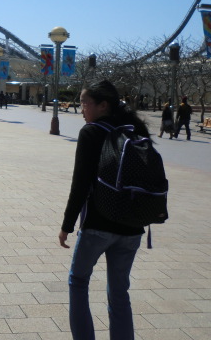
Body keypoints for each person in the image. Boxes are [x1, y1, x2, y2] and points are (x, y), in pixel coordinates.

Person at [59, 79, 147, 340]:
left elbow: (80, 183)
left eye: (85, 103)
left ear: (103, 105)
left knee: (78, 281)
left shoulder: (92, 132)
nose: (81, 109)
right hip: (132, 227)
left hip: (98, 224)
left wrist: (67, 225)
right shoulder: (134, 130)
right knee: (119, 292)